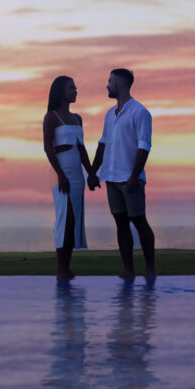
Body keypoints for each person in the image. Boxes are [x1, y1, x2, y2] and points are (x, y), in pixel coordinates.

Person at [90, 67, 155, 282]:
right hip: (111, 177)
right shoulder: (110, 114)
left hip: (130, 179)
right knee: (121, 223)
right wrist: (93, 171)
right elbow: (103, 144)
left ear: (120, 83)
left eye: (110, 81)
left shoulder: (140, 112)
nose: (107, 85)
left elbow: (144, 146)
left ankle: (150, 269)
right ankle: (128, 269)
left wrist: (134, 176)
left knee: (139, 221)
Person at [43, 75, 98, 280]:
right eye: (71, 88)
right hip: (60, 172)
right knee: (65, 218)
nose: (75, 91)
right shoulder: (51, 117)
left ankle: (67, 267)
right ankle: (61, 268)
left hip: (76, 174)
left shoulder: (77, 118)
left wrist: (90, 173)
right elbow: (48, 148)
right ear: (60, 91)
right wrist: (60, 175)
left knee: (73, 220)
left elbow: (82, 149)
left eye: (75, 88)